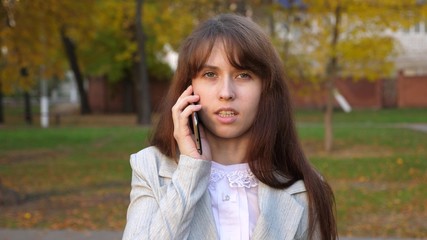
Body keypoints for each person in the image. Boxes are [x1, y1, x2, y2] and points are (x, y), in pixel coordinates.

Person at [122, 14, 337, 240]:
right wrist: (190, 172)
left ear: (266, 89)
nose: (226, 93)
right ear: (188, 88)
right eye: (210, 74)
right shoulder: (150, 169)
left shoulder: (305, 188)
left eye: (243, 75)